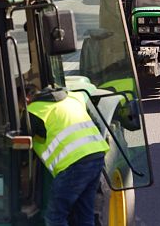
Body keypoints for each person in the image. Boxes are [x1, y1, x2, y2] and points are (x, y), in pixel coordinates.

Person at [25, 86, 109, 226]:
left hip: (74, 166)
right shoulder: (73, 97)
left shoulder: (34, 111)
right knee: (85, 213)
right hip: (97, 156)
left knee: (54, 217)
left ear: (27, 99)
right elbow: (96, 126)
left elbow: (17, 146)